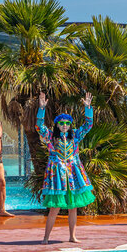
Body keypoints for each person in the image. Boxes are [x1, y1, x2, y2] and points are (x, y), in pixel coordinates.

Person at [37, 91, 96, 244]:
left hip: (73, 174)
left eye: (67, 123)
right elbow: (39, 126)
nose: (64, 125)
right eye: (61, 123)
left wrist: (88, 108)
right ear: (57, 125)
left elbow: (88, 125)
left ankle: (72, 236)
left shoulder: (75, 135)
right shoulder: (50, 136)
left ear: (70, 125)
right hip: (57, 175)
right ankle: (46, 237)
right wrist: (41, 109)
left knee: (73, 207)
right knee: (54, 208)